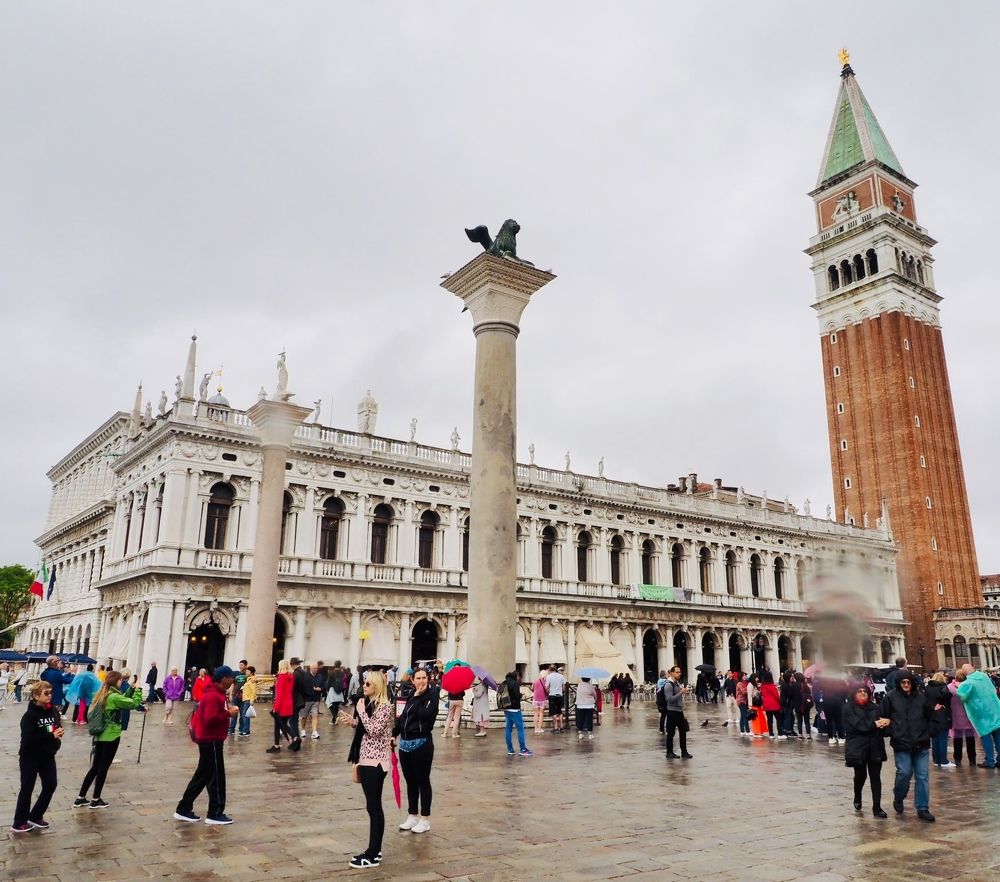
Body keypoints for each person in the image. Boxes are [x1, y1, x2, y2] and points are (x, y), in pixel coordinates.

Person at [174, 665, 239, 825]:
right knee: (216, 776)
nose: (233, 680)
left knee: (202, 775)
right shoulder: (212, 695)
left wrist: (225, 710)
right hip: (211, 739)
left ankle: (183, 808)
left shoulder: (216, 693)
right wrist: (228, 713)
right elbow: (210, 719)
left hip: (210, 739)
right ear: (224, 679)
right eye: (231, 677)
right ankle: (215, 812)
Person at [345, 670, 394, 869]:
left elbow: (374, 730)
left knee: (374, 807)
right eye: (364, 683)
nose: (363, 686)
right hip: (365, 759)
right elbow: (366, 727)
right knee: (371, 806)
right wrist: (354, 722)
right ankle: (376, 848)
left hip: (376, 762)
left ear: (377, 686)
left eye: (367, 684)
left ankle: (373, 853)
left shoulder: (384, 707)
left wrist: (360, 711)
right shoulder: (370, 705)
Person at [74, 670, 144, 809]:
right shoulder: (113, 697)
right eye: (120, 680)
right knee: (103, 768)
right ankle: (95, 798)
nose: (121, 682)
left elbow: (122, 699)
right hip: (111, 735)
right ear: (115, 681)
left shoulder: (104, 693)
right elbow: (133, 704)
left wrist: (131, 689)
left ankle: (80, 797)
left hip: (99, 735)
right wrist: (139, 690)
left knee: (95, 767)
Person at [877, 670, 935, 821]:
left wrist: (929, 732)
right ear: (899, 683)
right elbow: (882, 717)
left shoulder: (921, 697)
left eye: (909, 682)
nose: (906, 685)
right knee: (904, 772)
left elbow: (931, 716)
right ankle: (899, 796)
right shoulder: (890, 698)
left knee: (922, 776)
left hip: (920, 742)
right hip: (901, 742)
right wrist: (892, 731)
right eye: (903, 682)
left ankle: (923, 808)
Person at [11, 680, 64, 833]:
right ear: (35, 696)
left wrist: (57, 733)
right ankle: (19, 822)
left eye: (50, 692)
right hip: (30, 756)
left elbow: (53, 726)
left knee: (51, 784)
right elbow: (29, 739)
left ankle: (35, 815)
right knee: (27, 788)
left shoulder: (52, 710)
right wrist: (50, 735)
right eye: (46, 693)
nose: (49, 696)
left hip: (47, 755)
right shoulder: (29, 716)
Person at [393, 667, 439, 834]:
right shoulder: (411, 694)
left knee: (422, 781)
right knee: (410, 781)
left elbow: (424, 715)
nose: (421, 681)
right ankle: (412, 815)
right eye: (418, 678)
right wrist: (394, 733)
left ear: (428, 678)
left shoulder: (432, 695)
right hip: (405, 743)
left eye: (423, 678)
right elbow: (404, 717)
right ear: (412, 680)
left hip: (422, 742)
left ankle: (425, 818)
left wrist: (419, 698)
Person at [843, 685, 889, 818]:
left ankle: (877, 806)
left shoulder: (875, 708)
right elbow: (859, 726)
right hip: (858, 747)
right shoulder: (848, 708)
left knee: (876, 777)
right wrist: (874, 724)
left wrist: (886, 723)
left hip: (875, 746)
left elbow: (882, 726)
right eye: (860, 691)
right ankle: (857, 795)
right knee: (860, 776)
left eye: (865, 692)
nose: (863, 693)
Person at [955, 662, 1000, 768]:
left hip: (981, 715)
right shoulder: (984, 676)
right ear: (973, 668)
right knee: (998, 737)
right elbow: (993, 689)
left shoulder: (967, 683)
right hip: (995, 710)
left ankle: (989, 761)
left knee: (986, 738)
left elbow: (962, 697)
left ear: (964, 672)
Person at [925, 672, 954, 768]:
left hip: (931, 715)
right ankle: (943, 760)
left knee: (934, 739)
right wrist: (940, 702)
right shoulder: (943, 687)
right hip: (942, 715)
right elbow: (947, 695)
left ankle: (936, 760)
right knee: (942, 739)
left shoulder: (927, 688)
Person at [949, 670, 977, 767]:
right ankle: (972, 759)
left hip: (955, 715)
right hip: (968, 715)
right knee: (970, 738)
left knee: (957, 737)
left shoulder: (950, 687)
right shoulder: (969, 686)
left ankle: (957, 759)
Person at [663, 665, 693, 759]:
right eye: (677, 672)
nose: (679, 674)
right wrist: (681, 693)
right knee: (671, 733)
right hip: (672, 711)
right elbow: (669, 699)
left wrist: (681, 692)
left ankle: (684, 752)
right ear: (671, 673)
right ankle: (669, 752)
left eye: (680, 672)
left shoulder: (676, 683)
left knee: (683, 732)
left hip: (679, 711)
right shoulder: (669, 684)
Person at [267, 659, 296, 753]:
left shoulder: (281, 677)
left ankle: (280, 744)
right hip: (289, 703)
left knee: (279, 725)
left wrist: (276, 707)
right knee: (282, 724)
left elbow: (279, 694)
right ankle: (282, 743)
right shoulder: (291, 677)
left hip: (282, 704)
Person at [501, 670, 532, 757]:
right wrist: (521, 695)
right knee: (520, 728)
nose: (520, 680)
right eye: (520, 678)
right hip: (515, 709)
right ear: (517, 676)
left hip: (506, 708)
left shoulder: (504, 682)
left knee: (508, 728)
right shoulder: (514, 683)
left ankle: (510, 749)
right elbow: (516, 696)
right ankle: (522, 749)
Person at [300, 662, 325, 740]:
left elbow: (324, 685)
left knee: (315, 715)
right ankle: (303, 730)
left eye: (317, 668)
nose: (316, 670)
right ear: (310, 668)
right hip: (307, 699)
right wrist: (311, 689)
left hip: (316, 699)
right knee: (304, 716)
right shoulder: (305, 676)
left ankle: (314, 731)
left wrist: (320, 689)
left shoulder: (320, 676)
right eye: (314, 668)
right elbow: (303, 687)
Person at [290, 657, 310, 745]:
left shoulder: (295, 674)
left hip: (295, 700)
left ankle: (296, 739)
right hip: (301, 699)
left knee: (292, 721)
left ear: (292, 665)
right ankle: (296, 738)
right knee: (294, 720)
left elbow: (292, 688)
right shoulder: (304, 673)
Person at [228, 661, 249, 738]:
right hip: (235, 696)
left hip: (244, 696)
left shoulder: (247, 674)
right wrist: (230, 694)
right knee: (233, 713)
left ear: (246, 666)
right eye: (239, 665)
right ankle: (231, 729)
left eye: (242, 665)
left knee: (243, 714)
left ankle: (241, 729)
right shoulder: (236, 674)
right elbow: (233, 684)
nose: (240, 666)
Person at [760, 671, 782, 739]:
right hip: (774, 705)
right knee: (778, 719)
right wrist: (779, 702)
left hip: (767, 705)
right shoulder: (772, 686)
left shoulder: (762, 686)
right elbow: (776, 696)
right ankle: (780, 733)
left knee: (769, 720)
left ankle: (771, 734)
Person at [545, 665, 566, 733]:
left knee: (553, 712)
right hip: (559, 695)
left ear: (549, 670)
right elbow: (563, 687)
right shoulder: (561, 676)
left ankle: (556, 727)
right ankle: (562, 727)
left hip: (552, 695)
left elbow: (546, 687)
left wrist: (548, 691)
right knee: (559, 711)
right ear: (556, 669)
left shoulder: (549, 676)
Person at [326, 660, 347, 725]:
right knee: (336, 705)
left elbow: (328, 682)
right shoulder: (342, 673)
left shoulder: (331, 673)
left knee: (329, 704)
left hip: (332, 690)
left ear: (334, 665)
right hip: (340, 691)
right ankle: (334, 720)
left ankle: (335, 716)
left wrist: (327, 689)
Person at [794, 672, 813, 739]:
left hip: (797, 705)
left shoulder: (794, 685)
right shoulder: (805, 685)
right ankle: (808, 734)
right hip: (805, 705)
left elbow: (792, 695)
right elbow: (809, 694)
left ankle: (800, 734)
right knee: (807, 720)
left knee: (799, 720)